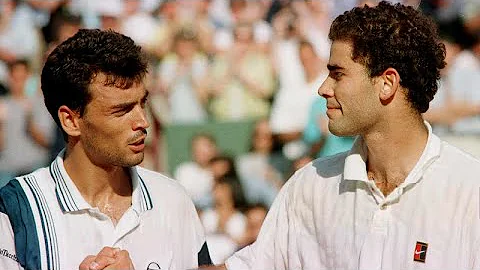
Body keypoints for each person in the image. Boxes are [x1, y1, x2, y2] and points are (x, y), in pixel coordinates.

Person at [221, 2, 480, 269]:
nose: (323, 88)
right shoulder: (308, 187)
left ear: (387, 83)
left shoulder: (470, 192)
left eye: (338, 74)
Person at [0, 29, 212, 270]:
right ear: (71, 121)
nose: (143, 121)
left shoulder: (173, 199)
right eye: (121, 110)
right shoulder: (15, 210)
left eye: (142, 103)